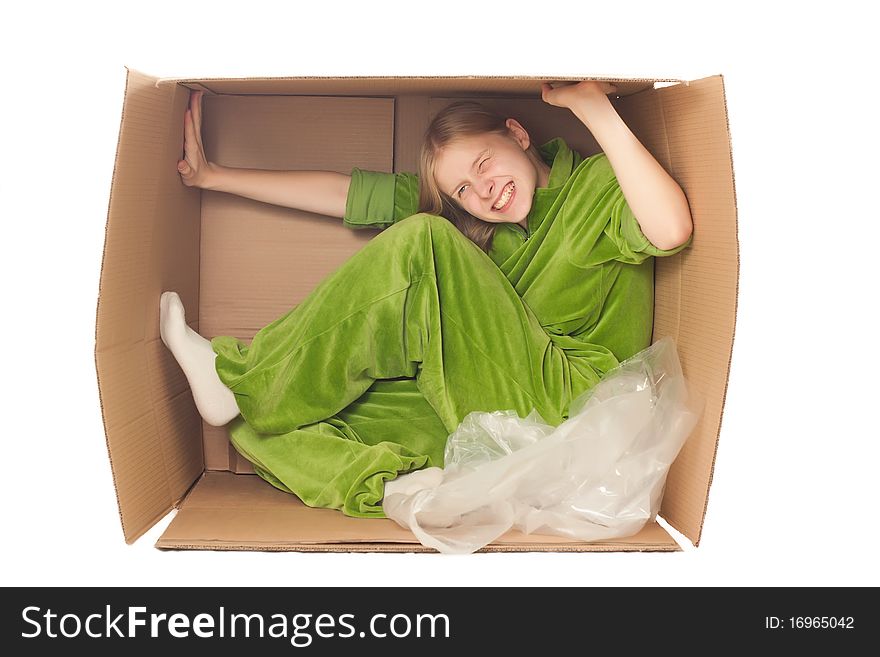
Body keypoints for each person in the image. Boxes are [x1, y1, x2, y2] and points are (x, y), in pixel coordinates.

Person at [160, 81, 693, 518]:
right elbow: (343, 192)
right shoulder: (471, 228)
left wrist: (593, 108)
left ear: (518, 134)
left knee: (421, 241)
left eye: (483, 163)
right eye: (462, 189)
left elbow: (670, 229)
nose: (483, 191)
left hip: (578, 406)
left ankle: (243, 377)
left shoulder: (597, 188)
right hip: (500, 412)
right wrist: (214, 176)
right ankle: (395, 487)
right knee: (262, 423)